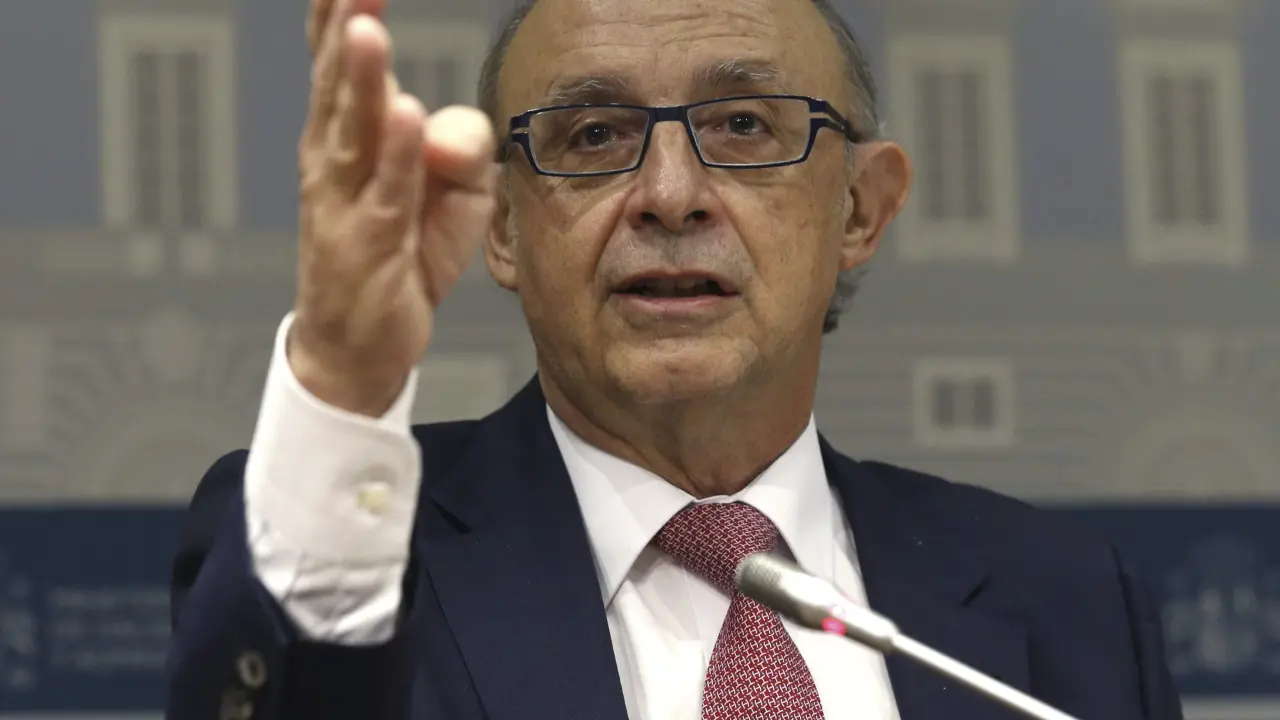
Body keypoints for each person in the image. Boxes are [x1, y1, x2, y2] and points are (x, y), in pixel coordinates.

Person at [166, 0, 1185, 717]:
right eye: (592, 134)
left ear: (860, 209)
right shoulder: (349, 549)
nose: (669, 195)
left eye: (742, 126)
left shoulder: (1067, 601)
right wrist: (345, 379)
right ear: (504, 226)